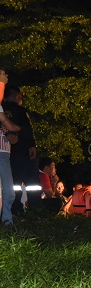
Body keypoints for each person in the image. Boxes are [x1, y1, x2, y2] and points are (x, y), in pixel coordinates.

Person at [2, 83, 39, 214]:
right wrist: (32, 145)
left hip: (8, 153)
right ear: (18, 96)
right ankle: (36, 209)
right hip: (23, 152)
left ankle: (15, 209)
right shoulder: (20, 111)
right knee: (32, 184)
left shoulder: (2, 109)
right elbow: (26, 129)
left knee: (13, 183)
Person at [0, 69, 21, 226]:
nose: (4, 74)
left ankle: (7, 222)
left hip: (4, 154)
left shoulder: (2, 109)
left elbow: (13, 137)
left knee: (9, 192)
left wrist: (10, 130)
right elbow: (13, 127)